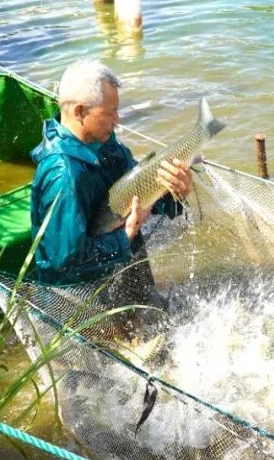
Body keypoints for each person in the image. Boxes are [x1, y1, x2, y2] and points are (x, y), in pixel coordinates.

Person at [30, 59, 193, 291]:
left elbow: (148, 201)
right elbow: (65, 261)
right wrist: (125, 236)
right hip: (80, 298)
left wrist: (175, 193)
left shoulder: (108, 145)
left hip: (126, 270)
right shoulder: (63, 175)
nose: (118, 120)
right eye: (111, 112)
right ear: (80, 112)